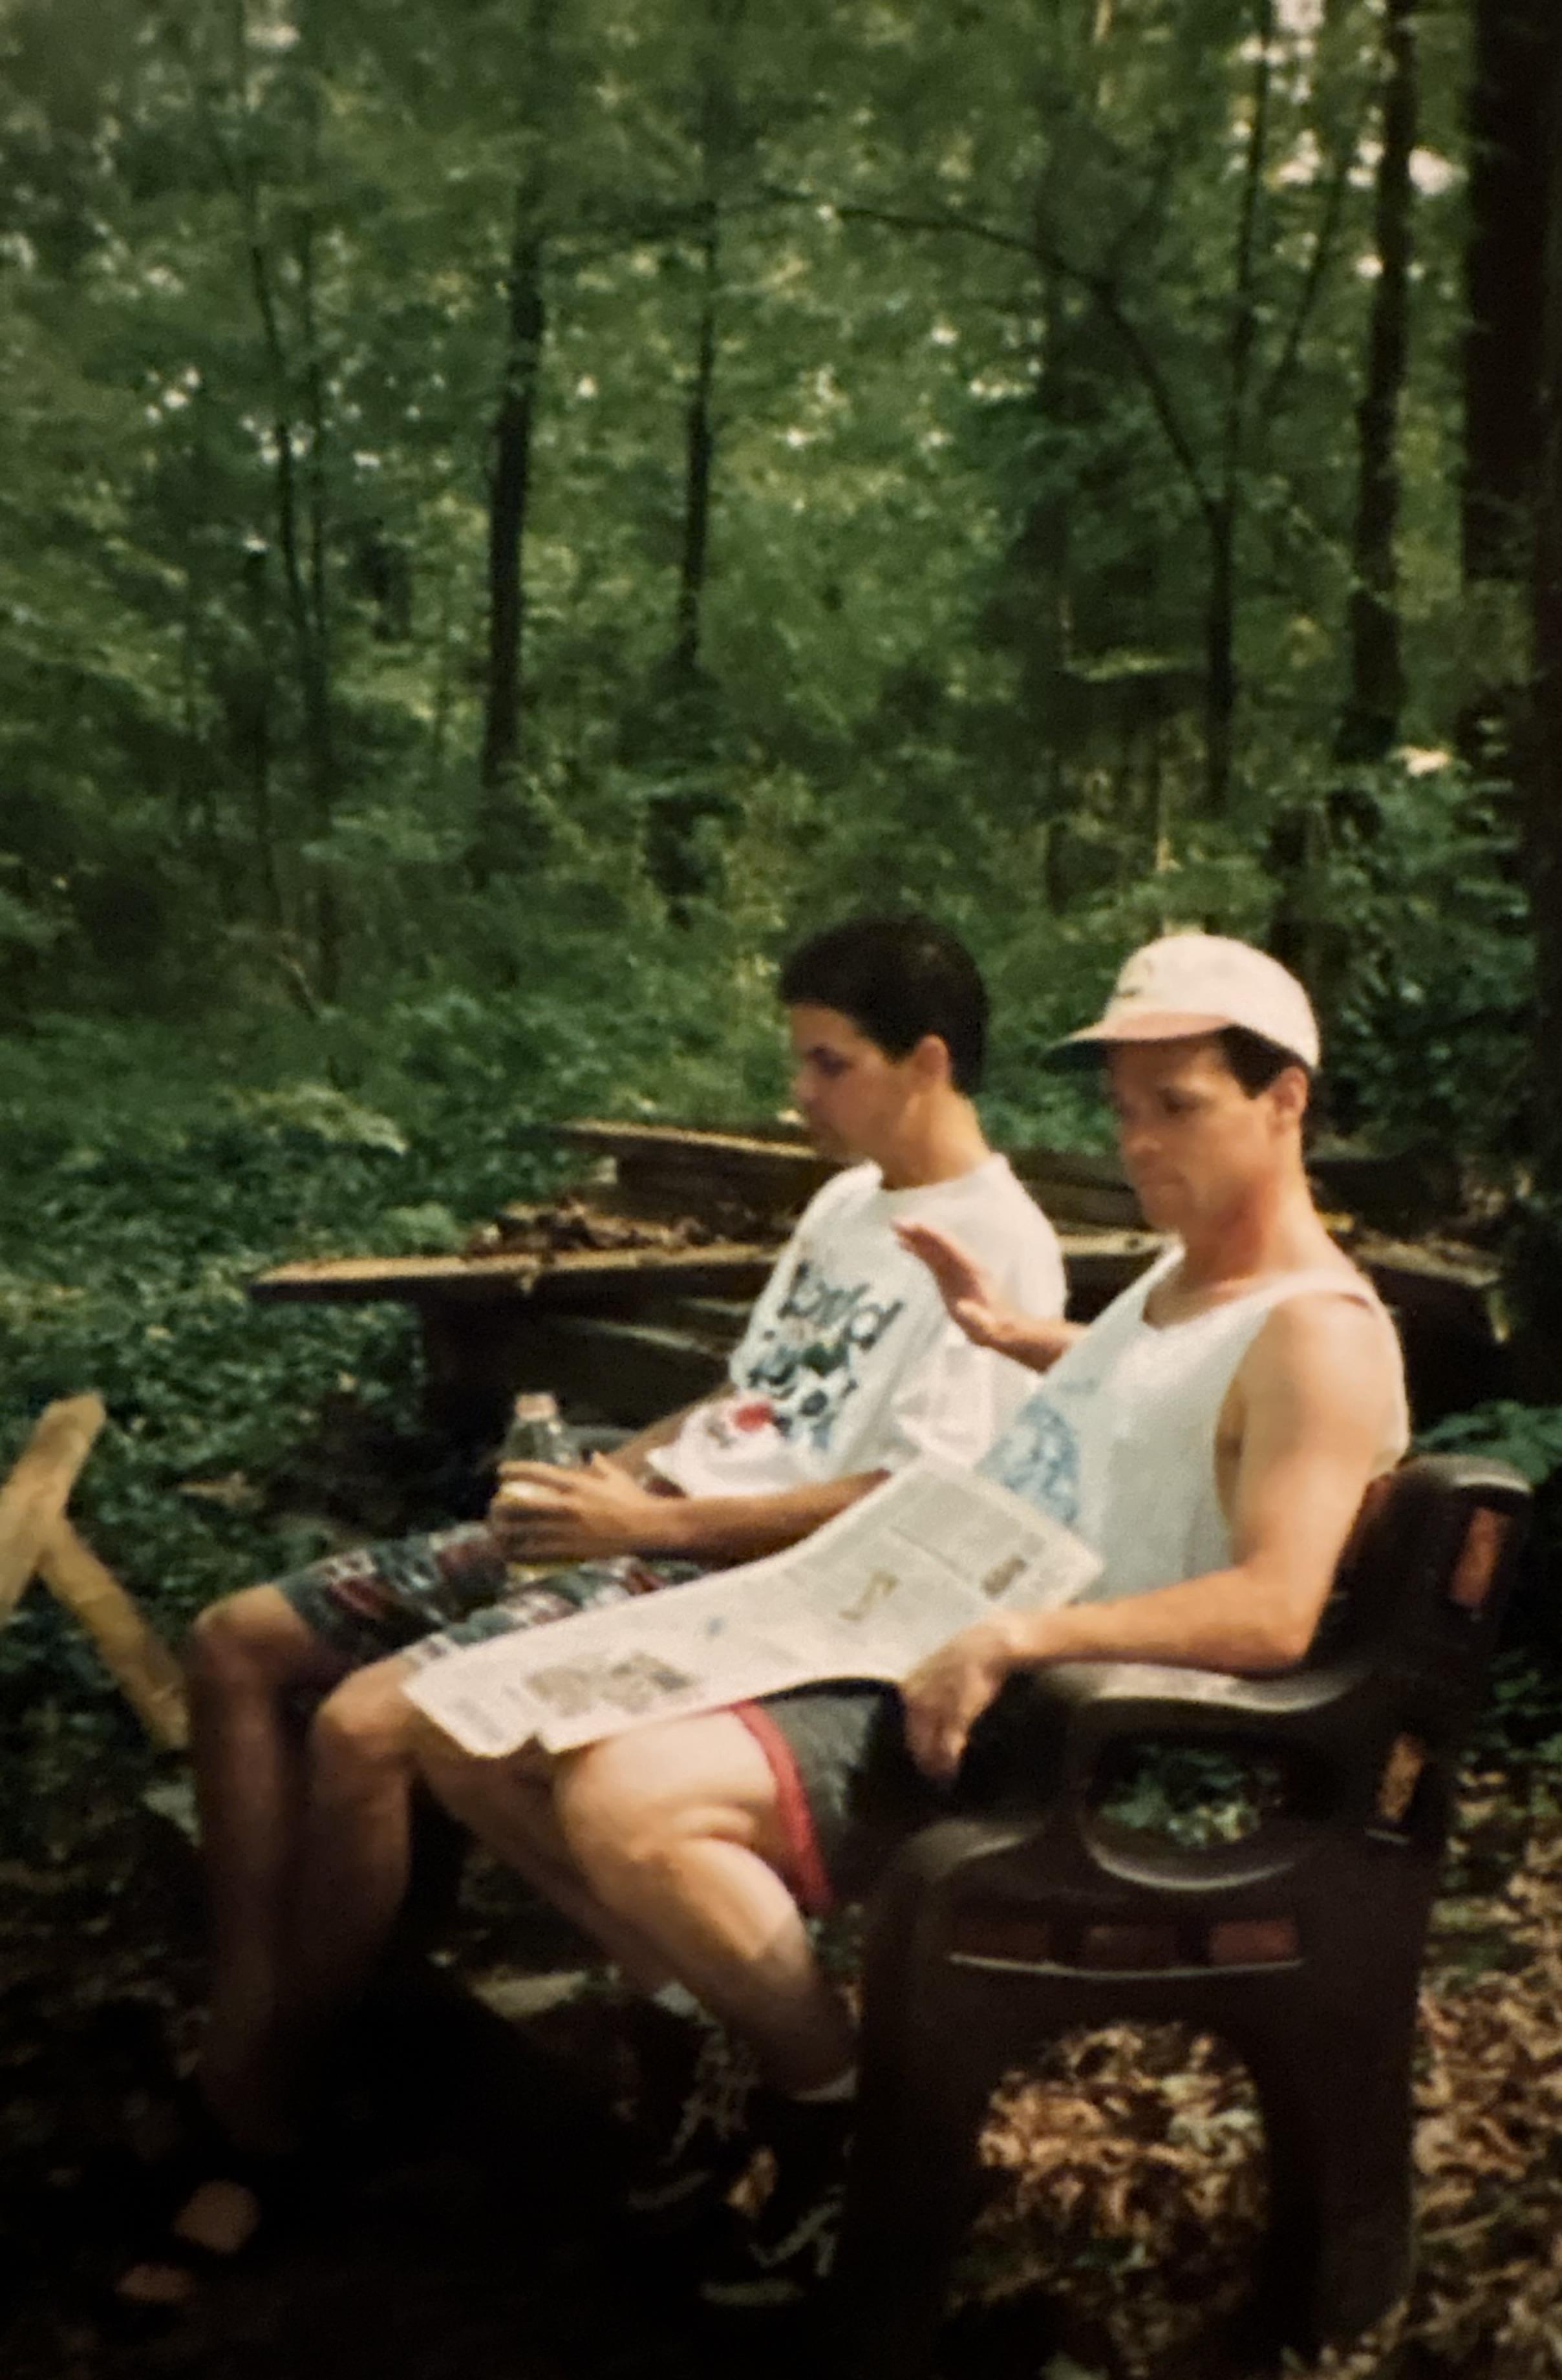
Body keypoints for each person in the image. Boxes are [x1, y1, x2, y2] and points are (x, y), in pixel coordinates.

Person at [400, 931, 1412, 2304]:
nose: (1139, 1143)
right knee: (483, 1720)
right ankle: (720, 2033)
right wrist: (1018, 1337)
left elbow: (1275, 1610)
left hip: (1050, 1723)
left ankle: (835, 2116)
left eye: (1177, 1107)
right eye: (1124, 1109)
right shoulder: (1188, 1281)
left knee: (630, 1804)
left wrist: (1014, 1640)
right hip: (923, 1613)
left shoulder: (1319, 1332)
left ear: (1284, 1098)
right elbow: (1175, 1391)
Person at [127, 915, 1065, 2298]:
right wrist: (606, 1476)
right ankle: (249, 2034)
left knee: (371, 1729)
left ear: (926, 1062)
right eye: (800, 1060)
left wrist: (647, 1525)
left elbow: (906, 1501)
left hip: (727, 1571)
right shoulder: (845, 1205)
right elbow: (756, 1398)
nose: (799, 1095)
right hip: (648, 1512)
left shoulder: (1000, 1248)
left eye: (829, 1063)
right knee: (235, 1643)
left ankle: (264, 2124)